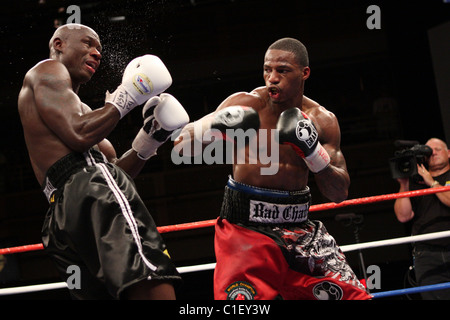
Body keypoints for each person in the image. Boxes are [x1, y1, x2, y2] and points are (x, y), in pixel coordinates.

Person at [175, 37, 370, 300]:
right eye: (267, 70)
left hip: (299, 229)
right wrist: (214, 128)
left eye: (282, 70)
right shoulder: (246, 104)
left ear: (305, 73)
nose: (272, 78)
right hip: (245, 230)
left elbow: (339, 193)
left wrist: (314, 154)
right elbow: (181, 146)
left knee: (354, 298)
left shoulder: (322, 121)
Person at [17, 23, 189, 299]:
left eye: (99, 48)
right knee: (149, 282)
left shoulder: (85, 113)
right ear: (59, 44)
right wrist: (127, 94)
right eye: (88, 43)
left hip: (64, 217)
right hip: (84, 191)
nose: (97, 53)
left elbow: (113, 174)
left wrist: (150, 139)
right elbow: (80, 138)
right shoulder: (47, 70)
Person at [394, 138, 450, 299]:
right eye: (429, 151)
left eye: (438, 149)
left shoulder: (430, 180)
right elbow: (403, 216)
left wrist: (431, 182)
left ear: (448, 153)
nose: (434, 153)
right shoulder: (415, 182)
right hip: (427, 253)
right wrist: (404, 185)